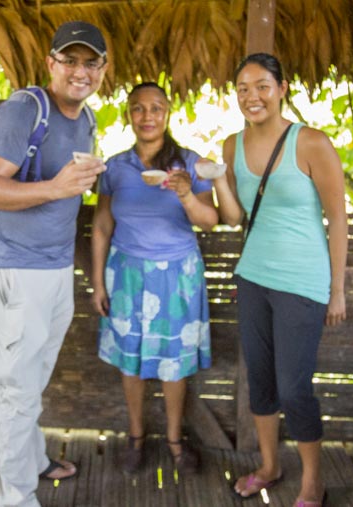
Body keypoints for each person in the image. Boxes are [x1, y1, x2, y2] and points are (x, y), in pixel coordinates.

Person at [0, 21, 108, 507]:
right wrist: (57, 186)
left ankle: (32, 462)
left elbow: (68, 184)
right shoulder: (22, 111)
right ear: (50, 63)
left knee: (32, 379)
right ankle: (14, 499)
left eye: (90, 62)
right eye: (69, 60)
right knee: (15, 389)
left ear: (102, 69)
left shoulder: (86, 119)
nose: (79, 71)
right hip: (17, 271)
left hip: (53, 268)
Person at [213, 53, 347, 507]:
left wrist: (337, 291)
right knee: (262, 382)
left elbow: (338, 219)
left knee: (294, 388)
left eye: (263, 86)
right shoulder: (231, 146)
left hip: (302, 282)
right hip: (253, 277)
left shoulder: (310, 143)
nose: (253, 96)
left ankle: (313, 481)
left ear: (283, 87)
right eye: (243, 89)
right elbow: (233, 218)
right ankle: (270, 467)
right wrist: (214, 180)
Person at [90, 82, 219, 474]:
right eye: (138, 109)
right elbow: (101, 226)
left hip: (178, 275)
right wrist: (98, 283)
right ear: (129, 114)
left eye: (156, 108)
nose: (147, 116)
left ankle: (176, 441)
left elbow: (210, 222)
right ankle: (136, 438)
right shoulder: (115, 167)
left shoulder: (191, 163)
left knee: (174, 364)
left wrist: (185, 193)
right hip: (127, 275)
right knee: (131, 362)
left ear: (168, 113)